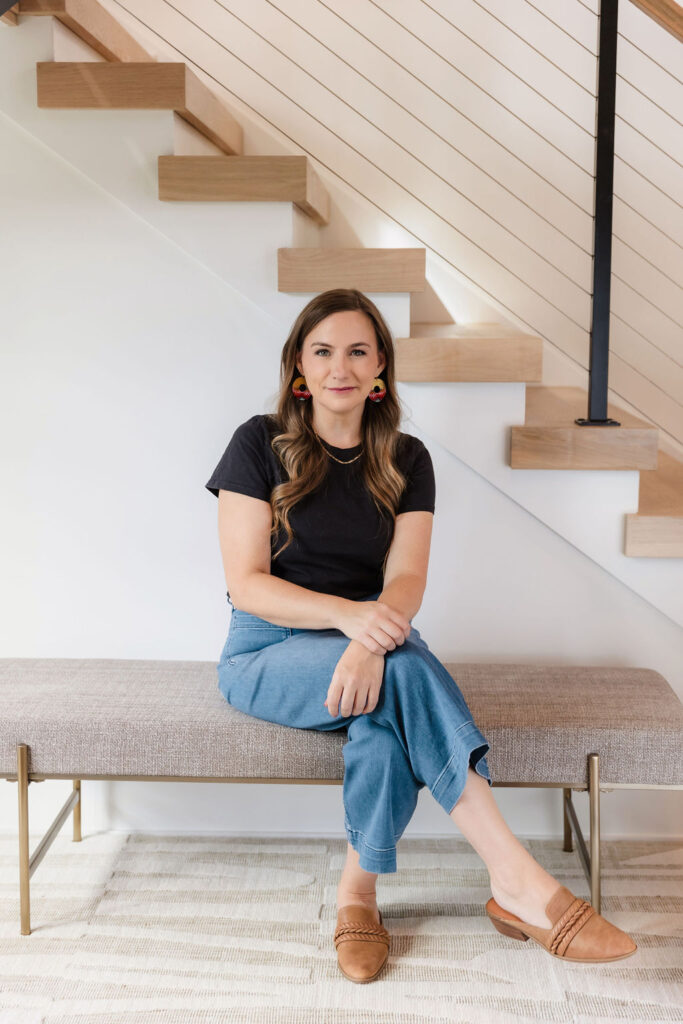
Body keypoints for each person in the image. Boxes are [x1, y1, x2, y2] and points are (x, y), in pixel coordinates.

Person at [205, 288, 637, 983]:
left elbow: (405, 580)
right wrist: (354, 621)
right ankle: (516, 880)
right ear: (298, 367)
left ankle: (357, 899)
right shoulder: (258, 442)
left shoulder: (407, 458)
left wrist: (369, 636)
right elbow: (248, 584)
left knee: (386, 719)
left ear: (380, 368)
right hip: (269, 648)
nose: (338, 366)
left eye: (356, 350)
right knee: (404, 674)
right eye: (321, 351)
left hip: (377, 636)